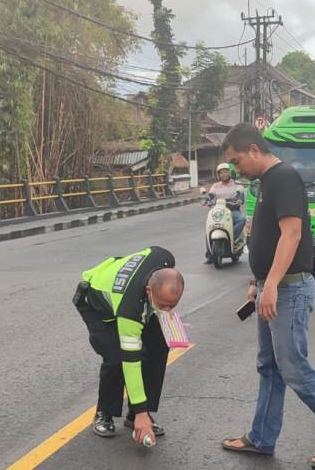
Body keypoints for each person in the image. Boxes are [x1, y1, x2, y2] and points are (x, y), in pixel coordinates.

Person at [219, 123, 315, 469]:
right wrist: (258, 281)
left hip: (289, 288)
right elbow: (266, 237)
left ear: (255, 151)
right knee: (270, 367)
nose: (234, 169)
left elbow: (292, 234)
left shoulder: (284, 177)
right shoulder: (264, 183)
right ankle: (262, 438)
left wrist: (272, 284)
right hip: (272, 286)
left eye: (236, 160)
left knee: (294, 367)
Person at [73, 247, 185, 444]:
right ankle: (104, 413)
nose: (167, 311)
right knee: (116, 356)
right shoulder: (130, 310)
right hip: (97, 305)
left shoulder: (164, 258)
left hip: (135, 296)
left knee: (158, 346)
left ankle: (135, 414)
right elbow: (130, 361)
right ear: (149, 291)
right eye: (163, 305)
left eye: (172, 306)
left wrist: (141, 410)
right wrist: (144, 413)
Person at [203, 163, 246, 263]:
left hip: (232, 210)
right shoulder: (215, 186)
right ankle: (209, 255)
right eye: (221, 173)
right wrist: (207, 199)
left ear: (229, 173)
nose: (224, 174)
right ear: (218, 175)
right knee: (209, 228)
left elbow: (241, 195)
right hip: (219, 211)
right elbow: (211, 195)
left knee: (242, 219)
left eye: (226, 172)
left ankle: (232, 239)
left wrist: (239, 199)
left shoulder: (237, 184)